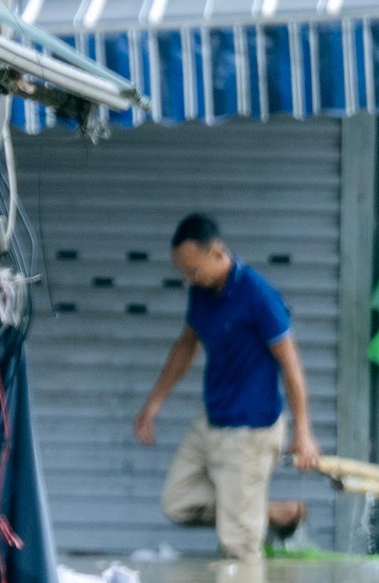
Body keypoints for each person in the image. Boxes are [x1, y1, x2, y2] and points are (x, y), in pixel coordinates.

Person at [133, 214, 321, 560]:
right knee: (177, 501)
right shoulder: (203, 293)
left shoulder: (258, 296)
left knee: (238, 546)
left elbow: (291, 366)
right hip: (213, 420)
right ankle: (272, 512)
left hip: (251, 431)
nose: (189, 280)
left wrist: (304, 432)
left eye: (193, 270)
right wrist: (154, 404)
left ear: (218, 254)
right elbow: (186, 346)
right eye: (183, 272)